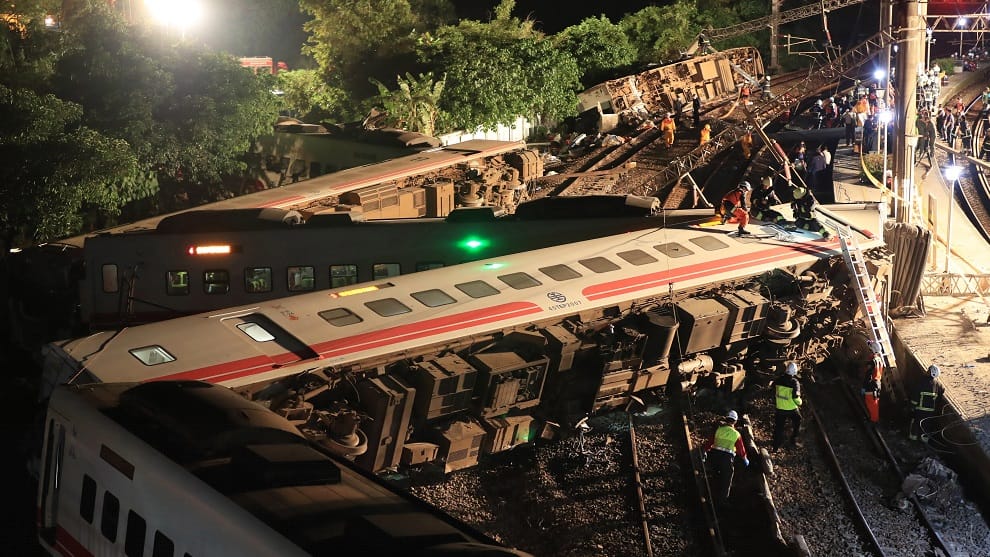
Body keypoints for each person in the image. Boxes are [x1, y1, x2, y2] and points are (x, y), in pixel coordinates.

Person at [702, 410, 749, 507]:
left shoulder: (719, 430)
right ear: (735, 421)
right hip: (726, 459)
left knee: (715, 476)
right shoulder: (736, 434)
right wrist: (745, 459)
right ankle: (722, 501)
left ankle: (711, 496)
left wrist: (705, 450)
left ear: (726, 419)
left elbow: (710, 442)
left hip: (714, 456)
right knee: (726, 479)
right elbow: (741, 449)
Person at [771, 362, 803, 451]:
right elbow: (795, 397)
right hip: (792, 409)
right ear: (795, 372)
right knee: (798, 420)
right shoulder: (794, 382)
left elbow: (772, 391)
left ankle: (775, 447)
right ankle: (793, 439)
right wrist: (800, 402)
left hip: (780, 409)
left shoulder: (778, 380)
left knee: (779, 427)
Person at [910, 365, 945, 441]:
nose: (926, 371)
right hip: (930, 412)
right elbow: (941, 392)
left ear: (930, 372)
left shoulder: (921, 382)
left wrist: (912, 406)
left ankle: (913, 440)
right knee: (926, 426)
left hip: (920, 410)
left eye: (928, 370)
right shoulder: (938, 384)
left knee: (916, 424)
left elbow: (915, 396)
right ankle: (924, 441)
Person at [861, 340, 884, 423]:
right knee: (875, 403)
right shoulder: (879, 360)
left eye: (869, 349)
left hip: (871, 385)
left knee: (871, 404)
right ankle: (874, 419)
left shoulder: (872, 362)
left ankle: (873, 421)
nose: (868, 351)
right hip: (878, 384)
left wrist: (864, 387)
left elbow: (868, 376)